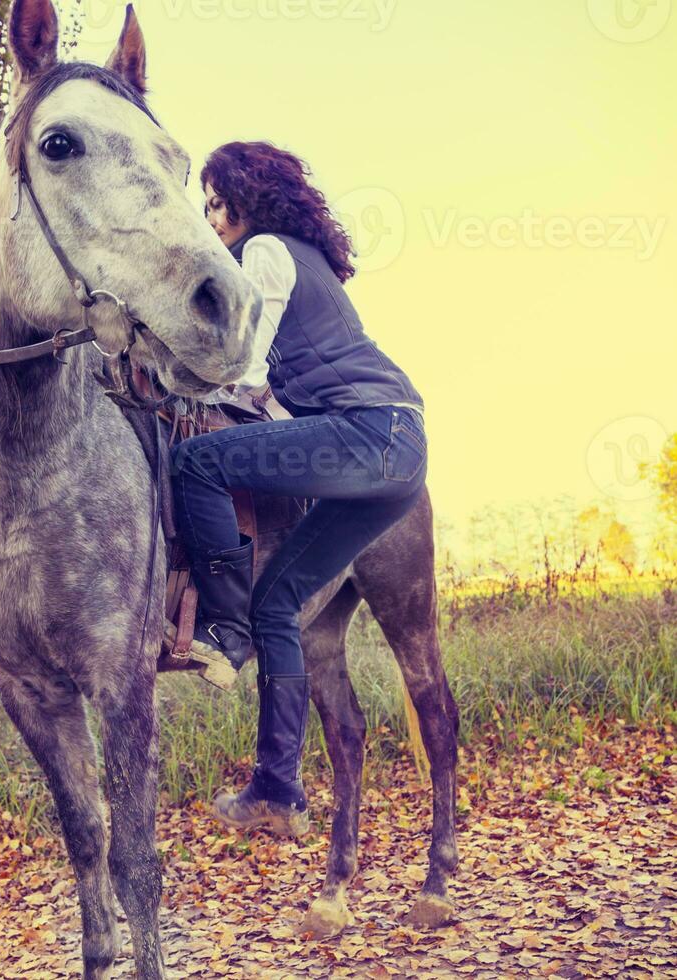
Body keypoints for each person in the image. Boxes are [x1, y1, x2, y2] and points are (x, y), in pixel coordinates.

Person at [170, 141, 428, 836]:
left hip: (371, 435)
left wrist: (176, 375)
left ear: (249, 196)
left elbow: (247, 369)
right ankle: (278, 790)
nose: (211, 214)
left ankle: (222, 628)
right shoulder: (309, 259)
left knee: (196, 464)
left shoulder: (264, 251)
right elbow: (284, 399)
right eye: (206, 204)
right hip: (398, 449)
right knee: (280, 600)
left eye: (218, 200)